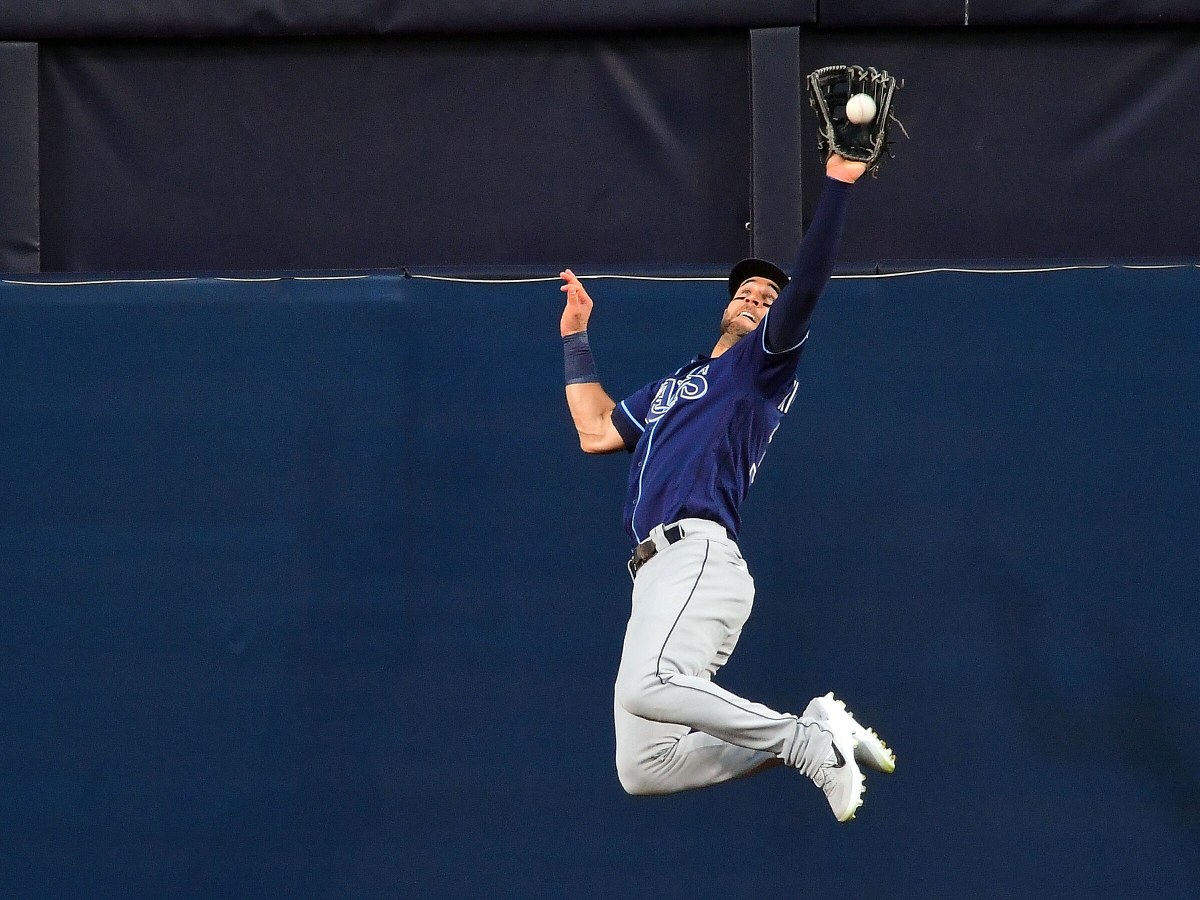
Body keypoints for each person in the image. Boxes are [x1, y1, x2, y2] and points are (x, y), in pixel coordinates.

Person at [558, 153, 895, 822]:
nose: (756, 299)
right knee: (643, 767)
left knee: (652, 683)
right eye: (746, 291)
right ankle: (817, 728)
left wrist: (837, 185)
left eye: (768, 298)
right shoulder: (675, 386)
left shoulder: (758, 369)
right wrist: (575, 337)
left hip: (699, 554)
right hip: (655, 575)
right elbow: (595, 430)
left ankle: (808, 743)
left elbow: (808, 288)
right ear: (725, 302)